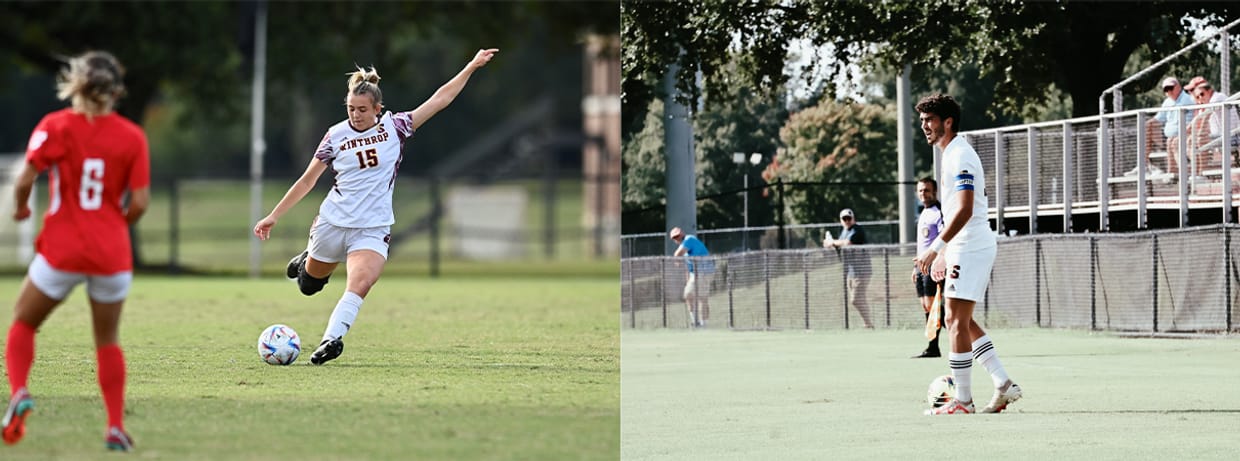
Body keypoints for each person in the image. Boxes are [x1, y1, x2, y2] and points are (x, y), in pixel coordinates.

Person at [253, 48, 498, 364]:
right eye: (351, 108)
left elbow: (440, 99)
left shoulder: (396, 127)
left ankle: (332, 339)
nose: (355, 115)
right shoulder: (335, 136)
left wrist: (470, 66)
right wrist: (274, 215)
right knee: (309, 286)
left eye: (362, 110)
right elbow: (306, 181)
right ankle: (304, 262)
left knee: (361, 283)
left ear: (377, 109)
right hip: (333, 222)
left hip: (372, 227)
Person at [2, 51, 148, 451]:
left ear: (76, 84)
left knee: (23, 322)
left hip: (63, 248)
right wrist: (117, 226)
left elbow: (25, 176)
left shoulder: (55, 125)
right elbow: (139, 202)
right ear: (117, 90)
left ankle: (19, 393)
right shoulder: (132, 136)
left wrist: (20, 207)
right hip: (110, 253)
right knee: (107, 340)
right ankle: (114, 426)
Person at [914, 93, 1021, 415]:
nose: (925, 127)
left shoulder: (959, 154)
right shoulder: (950, 154)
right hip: (964, 245)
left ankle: (962, 400)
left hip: (972, 245)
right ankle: (1003, 384)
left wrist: (936, 249)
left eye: (930, 120)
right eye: (921, 122)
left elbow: (965, 208)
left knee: (955, 321)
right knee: (960, 319)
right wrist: (947, 251)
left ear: (948, 122)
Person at [1133, 76, 1194, 177]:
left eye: (1170, 88)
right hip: (1169, 136)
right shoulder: (1167, 102)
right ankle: (1143, 164)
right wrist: (1145, 124)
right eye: (1166, 89)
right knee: (1148, 126)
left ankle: (1175, 173)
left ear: (1178, 87)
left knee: (1171, 141)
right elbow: (1158, 118)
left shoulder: (1187, 99)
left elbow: (1193, 119)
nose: (1168, 91)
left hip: (1185, 134)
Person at [911, 178, 945, 358]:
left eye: (926, 190)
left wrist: (940, 260)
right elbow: (922, 244)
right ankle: (934, 345)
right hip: (921, 266)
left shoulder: (939, 212)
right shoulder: (923, 213)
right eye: (921, 191)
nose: (923, 194)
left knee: (934, 306)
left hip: (933, 265)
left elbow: (944, 238)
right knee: (926, 305)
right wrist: (915, 267)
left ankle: (934, 346)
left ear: (935, 191)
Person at [824, 208, 873, 329]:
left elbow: (847, 243)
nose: (847, 221)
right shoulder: (844, 231)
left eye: (848, 218)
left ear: (853, 218)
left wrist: (832, 242)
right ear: (840, 221)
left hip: (862, 271)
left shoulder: (857, 229)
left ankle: (868, 323)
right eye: (844, 219)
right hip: (851, 272)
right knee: (858, 299)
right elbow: (840, 246)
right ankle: (868, 323)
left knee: (855, 299)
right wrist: (830, 244)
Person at [1181, 76, 1240, 177]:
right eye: (1195, 95)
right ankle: (1196, 174)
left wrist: (1197, 133)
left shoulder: (1217, 97)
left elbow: (1204, 120)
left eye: (1201, 94)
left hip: (1231, 135)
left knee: (1199, 138)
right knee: (1189, 140)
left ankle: (1202, 173)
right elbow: (1196, 123)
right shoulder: (1204, 102)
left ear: (1209, 90)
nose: (1199, 97)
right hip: (1218, 136)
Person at [669, 227, 714, 328]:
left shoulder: (688, 239)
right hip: (696, 273)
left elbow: (677, 254)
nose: (677, 238)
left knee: (701, 298)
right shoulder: (685, 248)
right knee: (688, 295)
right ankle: (696, 322)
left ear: (682, 233)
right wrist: (688, 280)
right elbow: (689, 268)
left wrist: (676, 260)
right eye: (674, 237)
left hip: (704, 271)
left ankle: (704, 325)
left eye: (678, 235)